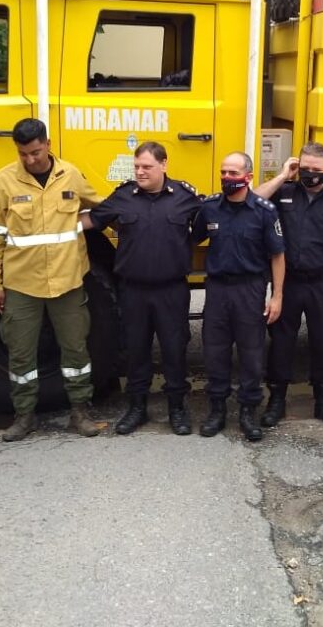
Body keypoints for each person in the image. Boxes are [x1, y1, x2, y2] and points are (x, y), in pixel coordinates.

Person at [0, 118, 102, 441]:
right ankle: (24, 416)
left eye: (35, 152)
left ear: (48, 144)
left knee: (75, 350)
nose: (30, 160)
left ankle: (80, 411)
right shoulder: (4, 181)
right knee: (20, 353)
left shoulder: (71, 175)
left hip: (68, 282)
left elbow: (100, 206)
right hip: (22, 285)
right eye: (23, 154)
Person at [86, 141, 202, 436]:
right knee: (136, 350)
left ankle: (177, 408)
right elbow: (92, 220)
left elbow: (210, 223)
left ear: (164, 165)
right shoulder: (123, 196)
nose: (140, 172)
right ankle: (136, 408)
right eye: (137, 166)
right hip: (133, 290)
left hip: (171, 290)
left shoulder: (185, 197)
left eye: (146, 167)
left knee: (175, 350)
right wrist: (48, 226)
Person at [254, 142, 323, 428]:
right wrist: (282, 176)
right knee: (280, 342)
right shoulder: (287, 191)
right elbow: (251, 203)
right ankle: (276, 400)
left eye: (316, 170)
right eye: (305, 168)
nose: (310, 174)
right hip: (288, 281)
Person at [193, 152, 285, 442]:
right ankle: (217, 410)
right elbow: (189, 238)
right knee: (215, 351)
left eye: (233, 173)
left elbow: (278, 256)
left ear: (248, 176)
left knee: (251, 354)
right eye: (223, 172)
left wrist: (277, 296)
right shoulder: (209, 208)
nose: (227, 178)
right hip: (218, 288)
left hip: (250, 289)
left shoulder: (264, 210)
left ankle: (248, 411)